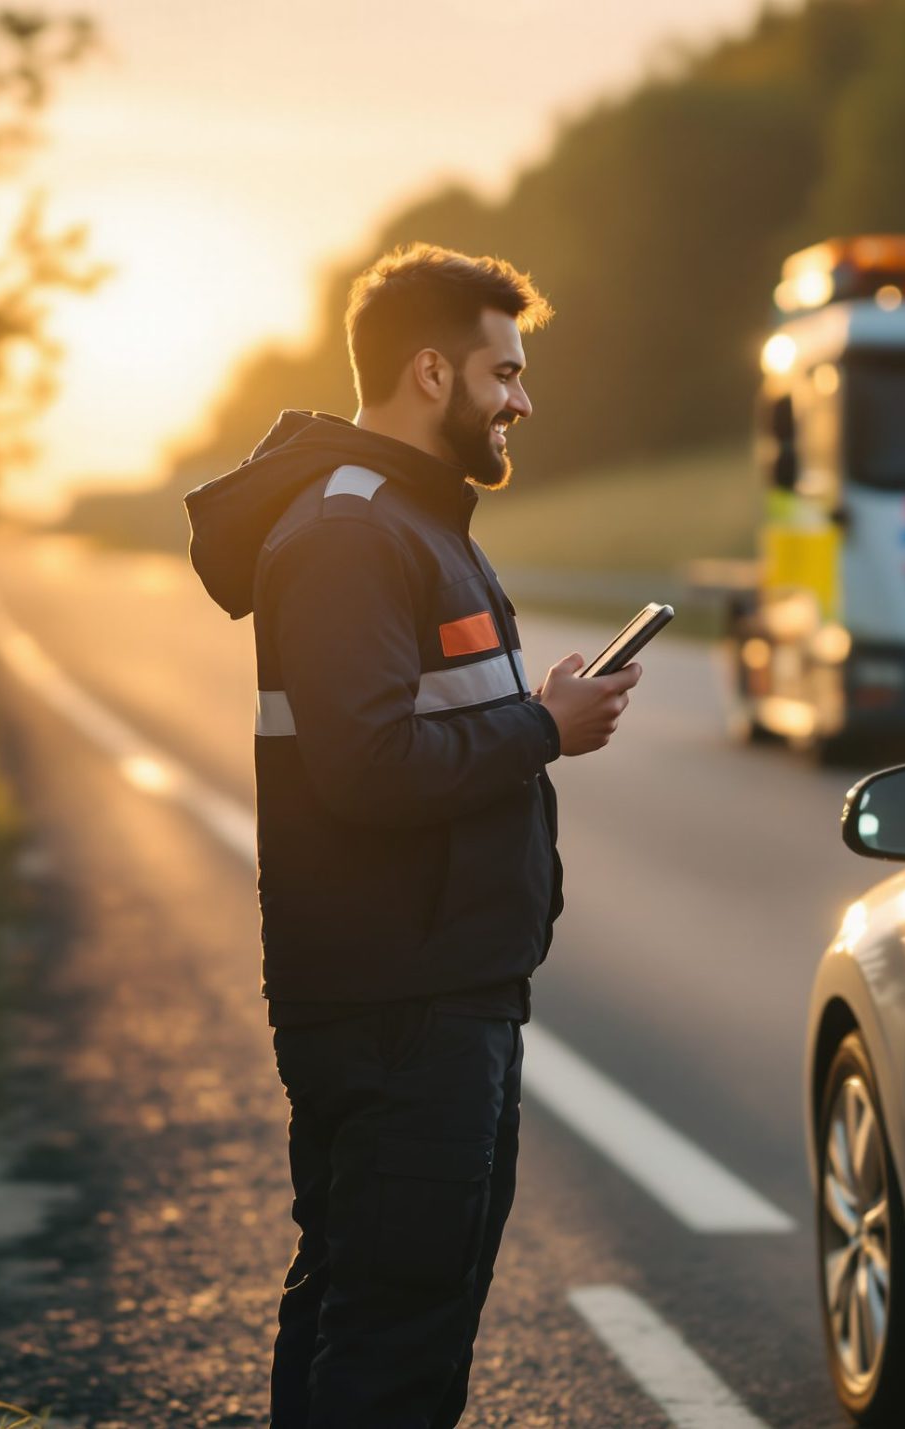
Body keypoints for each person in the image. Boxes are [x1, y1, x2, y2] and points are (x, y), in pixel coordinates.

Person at [182, 242, 640, 1427]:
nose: (522, 401)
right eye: (506, 372)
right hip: (401, 1003)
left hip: (440, 988)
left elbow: (409, 722)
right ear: (432, 373)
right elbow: (368, 765)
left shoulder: (417, 524)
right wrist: (543, 726)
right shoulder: (350, 534)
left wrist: (531, 705)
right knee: (392, 1340)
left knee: (374, 1314)